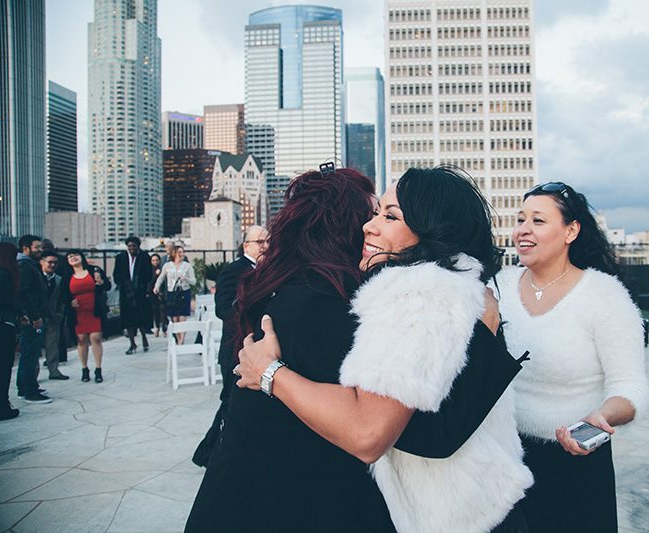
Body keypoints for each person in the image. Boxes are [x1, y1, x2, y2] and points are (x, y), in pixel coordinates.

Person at [221, 167, 532, 532]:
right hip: (474, 505)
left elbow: (368, 433)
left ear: (431, 229)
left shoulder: (418, 293)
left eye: (390, 216)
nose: (368, 227)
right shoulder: (450, 288)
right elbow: (425, 422)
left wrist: (270, 373)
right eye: (374, 213)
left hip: (463, 517)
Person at [495, 182, 649, 532]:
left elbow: (630, 386)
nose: (523, 229)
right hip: (504, 459)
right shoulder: (498, 287)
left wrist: (601, 417)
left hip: (574, 466)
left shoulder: (604, 296)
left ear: (571, 230)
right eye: (520, 219)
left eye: (538, 220)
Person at [191, 225, 268, 468]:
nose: (266, 246)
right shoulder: (233, 271)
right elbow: (223, 308)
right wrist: (252, 304)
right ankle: (206, 453)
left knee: (238, 405)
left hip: (256, 350)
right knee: (230, 403)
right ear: (247, 246)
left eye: (268, 242)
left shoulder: (267, 271)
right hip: (235, 349)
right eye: (261, 242)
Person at [61, 251, 111, 383]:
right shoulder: (67, 277)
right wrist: (70, 302)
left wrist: (100, 282)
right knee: (81, 339)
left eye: (75, 255)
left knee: (96, 337)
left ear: (81, 257)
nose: (73, 257)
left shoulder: (94, 271)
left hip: (94, 310)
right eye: (69, 257)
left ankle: (98, 369)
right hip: (77, 313)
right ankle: (84, 369)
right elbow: (63, 295)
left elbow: (108, 286)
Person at [16, 235, 52, 404]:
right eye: (37, 247)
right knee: (30, 354)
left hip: (32, 317)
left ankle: (25, 388)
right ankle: (30, 392)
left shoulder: (28, 265)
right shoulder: (25, 266)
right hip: (32, 319)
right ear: (26, 249)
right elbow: (23, 293)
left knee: (28, 353)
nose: (40, 250)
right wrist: (34, 316)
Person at [0, 242, 23, 421]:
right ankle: (2, 408)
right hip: (3, 326)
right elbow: (6, 300)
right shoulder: (4, 274)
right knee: (3, 368)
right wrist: (21, 313)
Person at [113, 236, 153, 354]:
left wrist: (143, 287)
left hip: (140, 293)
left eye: (134, 246)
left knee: (140, 318)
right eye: (129, 246)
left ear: (138, 246)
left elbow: (148, 275)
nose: (131, 248)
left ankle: (144, 339)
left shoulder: (144, 257)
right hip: (126, 293)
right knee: (128, 320)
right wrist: (123, 285)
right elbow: (116, 275)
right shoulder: (120, 258)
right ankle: (132, 344)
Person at [153, 245, 195, 344]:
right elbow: (161, 277)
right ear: (174, 253)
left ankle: (181, 340)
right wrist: (156, 286)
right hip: (172, 293)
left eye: (182, 252)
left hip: (183, 293)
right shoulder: (167, 265)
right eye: (179, 252)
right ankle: (178, 338)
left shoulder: (187, 266)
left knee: (182, 318)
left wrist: (186, 279)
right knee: (174, 318)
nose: (182, 254)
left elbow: (193, 281)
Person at [40, 252, 68, 380]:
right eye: (50, 262)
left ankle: (54, 371)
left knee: (52, 345)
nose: (53, 265)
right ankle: (32, 376)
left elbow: (62, 298)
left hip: (53, 317)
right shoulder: (36, 276)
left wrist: (59, 313)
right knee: (34, 349)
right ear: (42, 262)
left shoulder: (59, 279)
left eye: (55, 263)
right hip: (37, 317)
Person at [149, 253, 167, 337]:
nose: (155, 262)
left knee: (163, 310)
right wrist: (155, 275)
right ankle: (157, 328)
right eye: (153, 260)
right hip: (152, 293)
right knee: (155, 311)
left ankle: (164, 329)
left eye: (156, 260)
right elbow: (149, 283)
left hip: (162, 292)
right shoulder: (149, 270)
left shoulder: (162, 269)